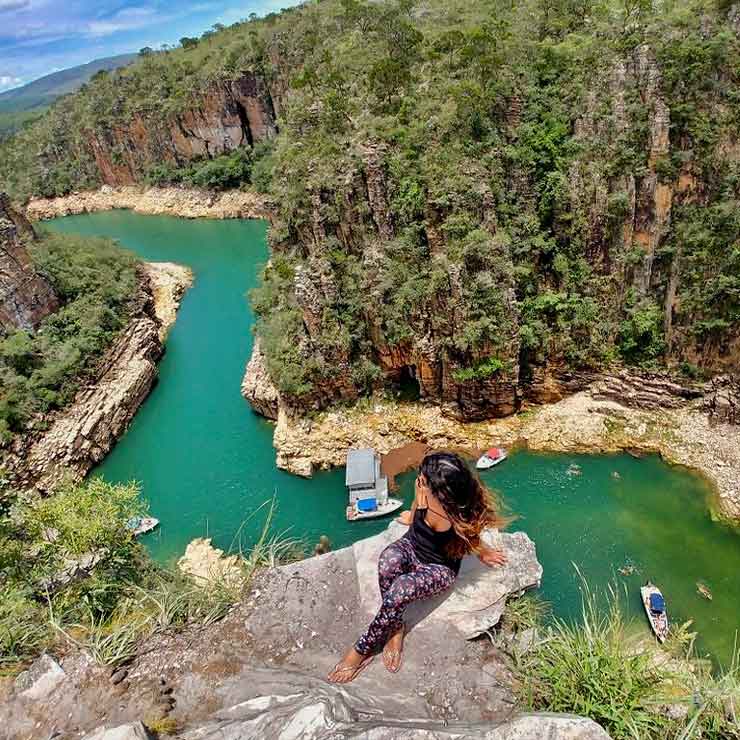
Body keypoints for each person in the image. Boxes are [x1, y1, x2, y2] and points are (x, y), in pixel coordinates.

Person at [328, 451, 508, 683]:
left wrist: (485, 553)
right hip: (412, 545)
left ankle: (361, 651)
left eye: (423, 482)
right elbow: (416, 509)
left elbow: (472, 536)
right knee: (387, 559)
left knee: (401, 588)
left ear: (441, 495)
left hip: (438, 567)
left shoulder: (458, 515)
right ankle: (395, 627)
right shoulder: (423, 492)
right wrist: (412, 515)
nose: (418, 483)